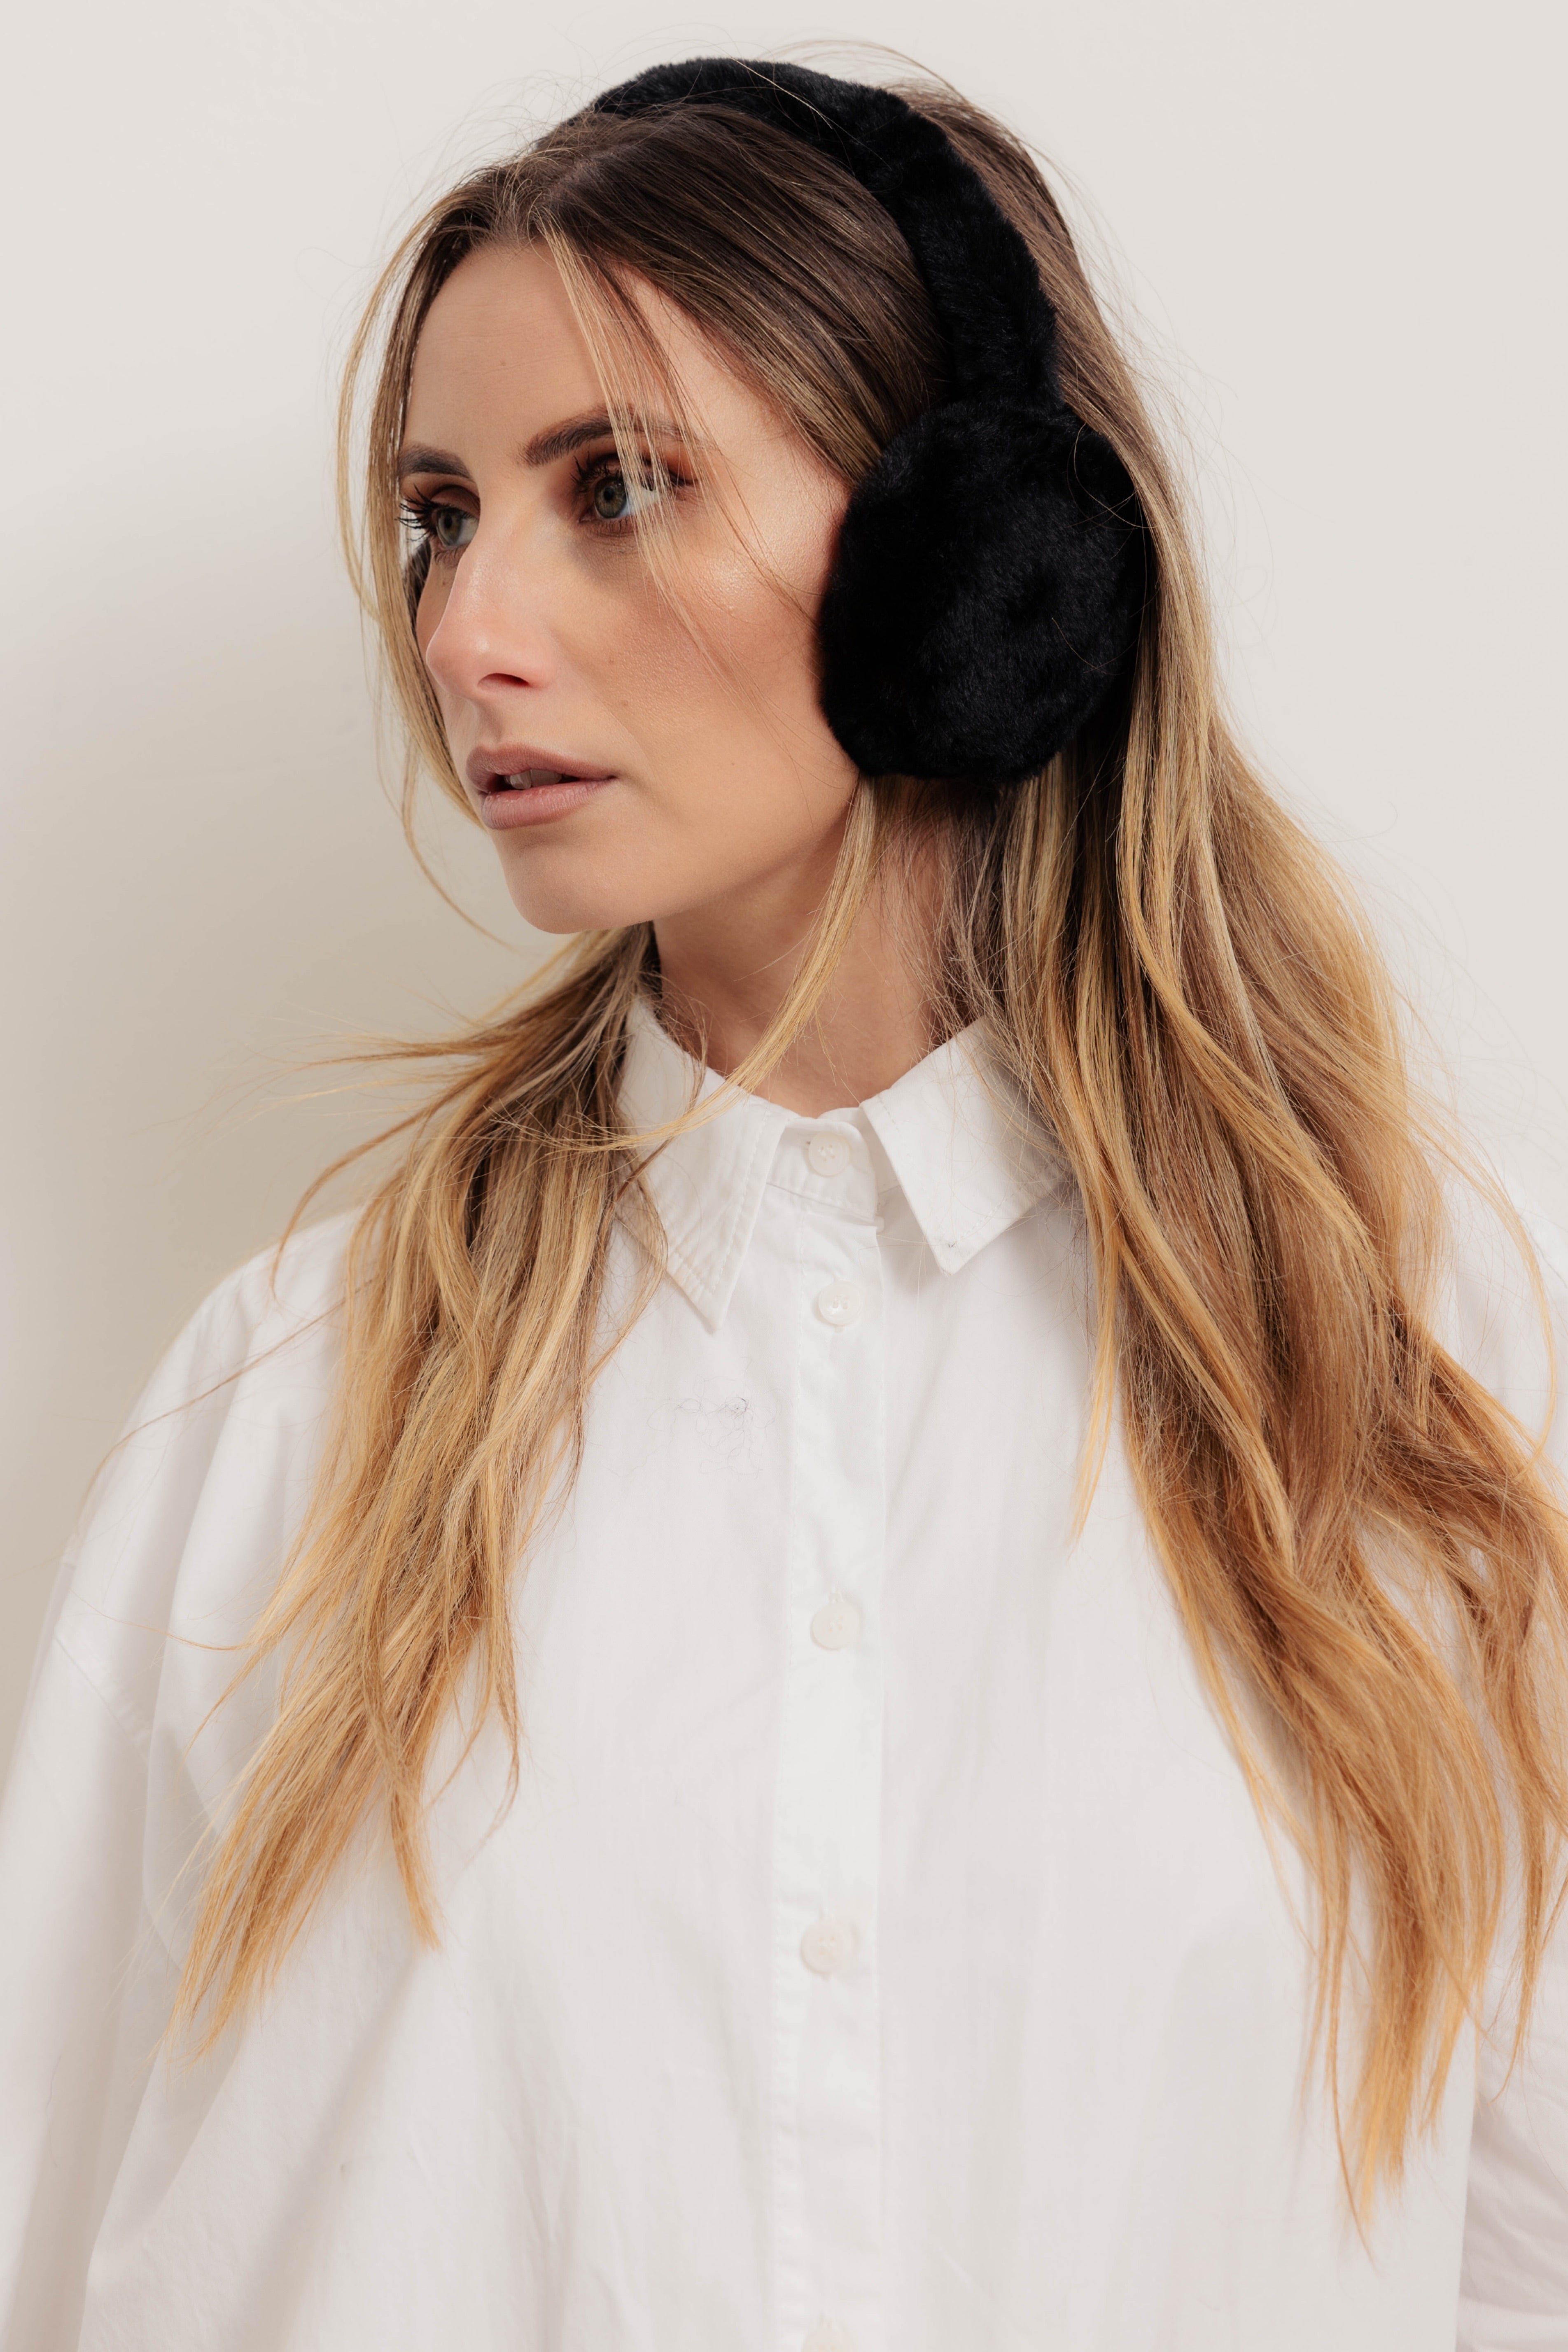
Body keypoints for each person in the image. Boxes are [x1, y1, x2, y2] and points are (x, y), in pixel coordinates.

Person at [2, 54, 1565, 2352]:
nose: (465, 630)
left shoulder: (1416, 1355)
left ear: (970, 559)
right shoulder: (286, 1400)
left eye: (616, 487)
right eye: (440, 516)